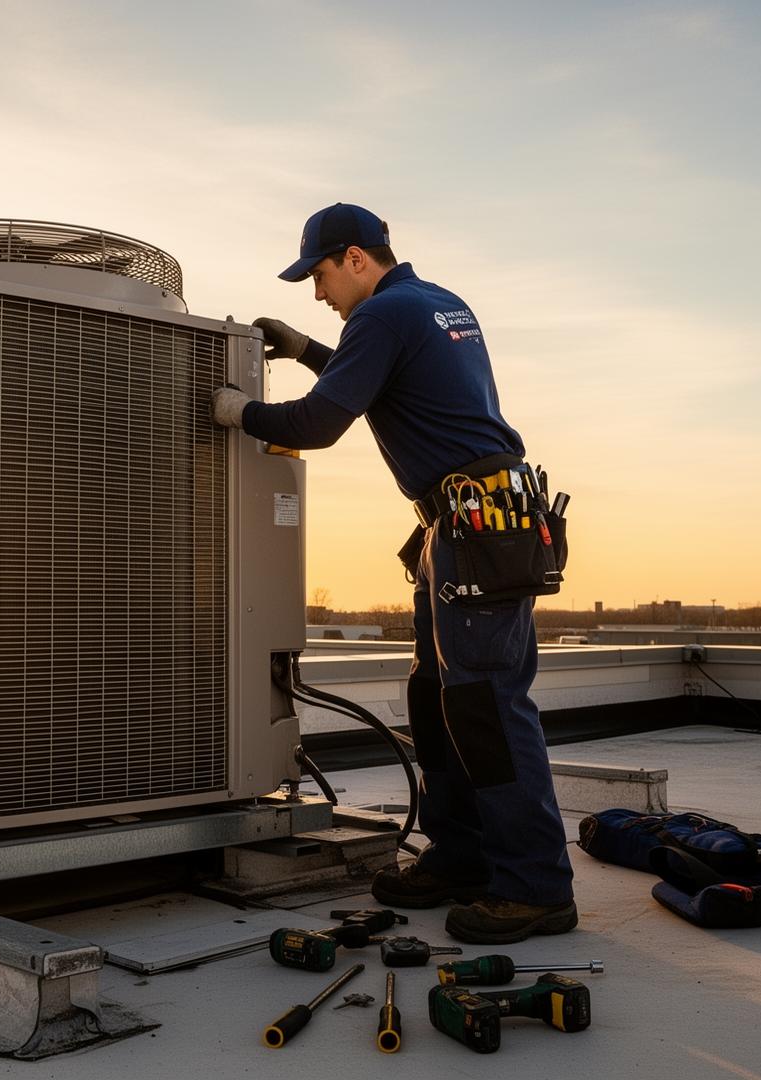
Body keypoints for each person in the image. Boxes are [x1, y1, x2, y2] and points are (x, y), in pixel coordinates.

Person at [210, 203, 577, 943]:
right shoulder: (438, 303)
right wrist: (312, 348)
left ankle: (536, 888)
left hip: (474, 531)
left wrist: (233, 411)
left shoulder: (382, 318)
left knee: (487, 711)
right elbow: (382, 380)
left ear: (353, 258)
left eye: (318, 276)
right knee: (439, 697)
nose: (316, 293)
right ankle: (464, 855)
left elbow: (316, 424)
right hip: (479, 524)